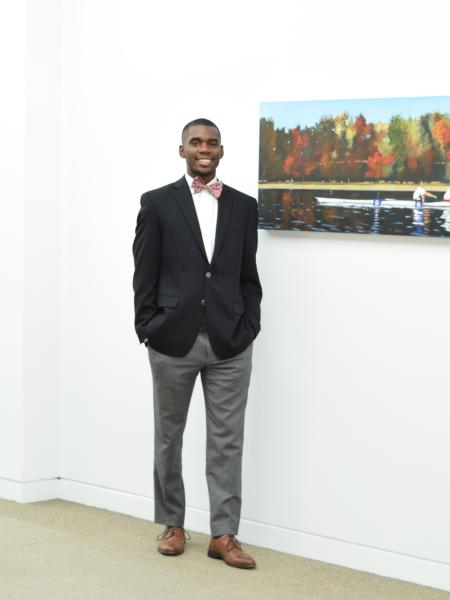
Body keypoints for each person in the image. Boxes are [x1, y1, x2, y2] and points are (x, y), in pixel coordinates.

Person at [132, 118, 262, 569]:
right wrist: (148, 326)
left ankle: (224, 535)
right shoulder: (157, 203)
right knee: (169, 436)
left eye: (211, 143)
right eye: (195, 142)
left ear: (222, 150)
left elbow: (249, 276)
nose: (204, 149)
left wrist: (250, 326)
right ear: (182, 149)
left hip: (230, 343)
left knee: (228, 442)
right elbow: (143, 273)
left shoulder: (244, 207)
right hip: (173, 341)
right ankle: (172, 523)